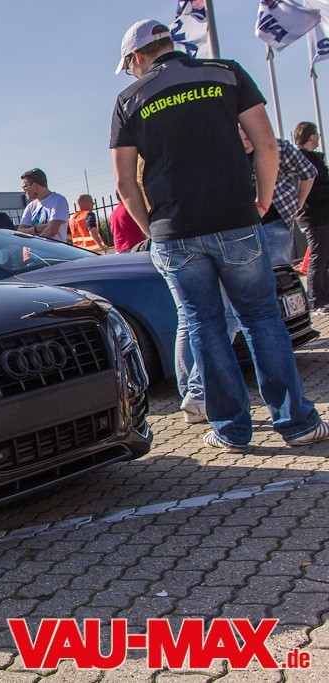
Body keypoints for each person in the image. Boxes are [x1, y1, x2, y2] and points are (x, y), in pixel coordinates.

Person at [110, 18, 329, 449]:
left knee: (204, 327)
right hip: (236, 220)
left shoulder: (129, 99)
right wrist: (261, 202)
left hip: (175, 232)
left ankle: (230, 430)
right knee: (261, 319)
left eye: (129, 66)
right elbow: (267, 144)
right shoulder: (225, 72)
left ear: (136, 57)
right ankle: (298, 425)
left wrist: (151, 229)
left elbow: (124, 182)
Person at [238, 127, 316, 267]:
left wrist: (298, 204)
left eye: (248, 138)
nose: (245, 144)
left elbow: (309, 172)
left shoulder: (277, 147)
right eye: (240, 140)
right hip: (246, 226)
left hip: (275, 220)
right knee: (251, 273)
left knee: (278, 271)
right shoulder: (231, 154)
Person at [295, 121, 329, 313]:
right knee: (318, 257)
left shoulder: (314, 158)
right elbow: (308, 192)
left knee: (324, 257)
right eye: (317, 134)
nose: (319, 138)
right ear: (310, 136)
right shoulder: (302, 159)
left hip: (322, 215)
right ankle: (316, 300)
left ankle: (324, 297)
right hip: (313, 216)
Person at [17, 168, 69, 242]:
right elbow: (20, 231)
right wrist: (36, 229)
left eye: (25, 187)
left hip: (53, 249)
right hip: (34, 249)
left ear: (34, 186)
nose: (23, 191)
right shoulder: (30, 206)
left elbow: (52, 230)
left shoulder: (58, 201)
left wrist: (36, 244)